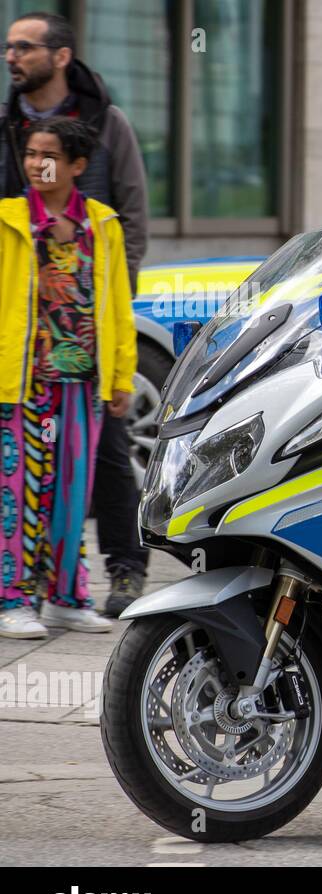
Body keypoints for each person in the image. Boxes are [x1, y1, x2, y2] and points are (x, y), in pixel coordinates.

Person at [1, 11, 150, 618]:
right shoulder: (8, 129)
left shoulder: (107, 124)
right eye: (8, 46)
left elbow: (133, 216)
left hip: (82, 357)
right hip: (23, 359)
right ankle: (16, 592)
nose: (12, 56)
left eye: (24, 46)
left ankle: (113, 573)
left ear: (60, 55)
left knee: (94, 470)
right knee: (18, 486)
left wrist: (112, 296)